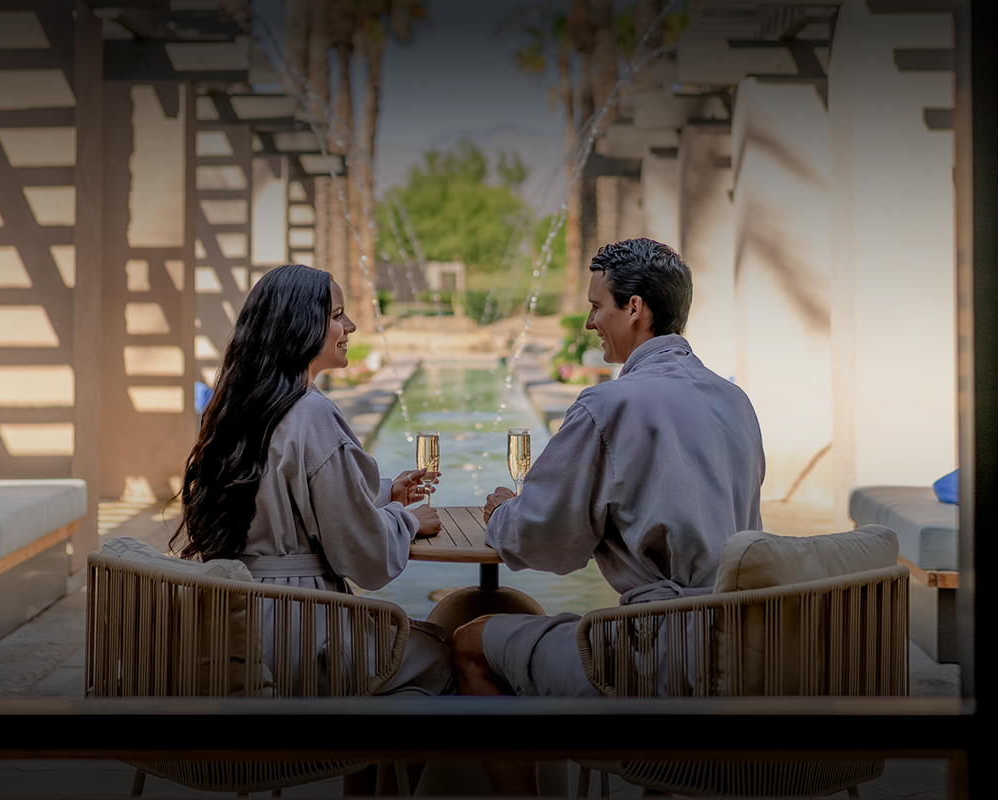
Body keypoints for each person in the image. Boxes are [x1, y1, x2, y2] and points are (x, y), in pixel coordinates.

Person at [454, 238, 767, 701]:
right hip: (746, 650)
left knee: (470, 643)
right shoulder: (734, 400)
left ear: (635, 307)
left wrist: (505, 512)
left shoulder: (609, 406)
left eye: (597, 306)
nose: (589, 322)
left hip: (661, 659)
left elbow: (545, 542)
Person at [172, 263, 452, 696]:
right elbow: (365, 557)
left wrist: (380, 492)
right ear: (300, 326)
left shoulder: (241, 406)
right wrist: (408, 520)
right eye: (338, 315)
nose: (351, 325)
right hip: (300, 634)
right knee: (453, 655)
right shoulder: (311, 413)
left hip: (238, 623)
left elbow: (283, 495)